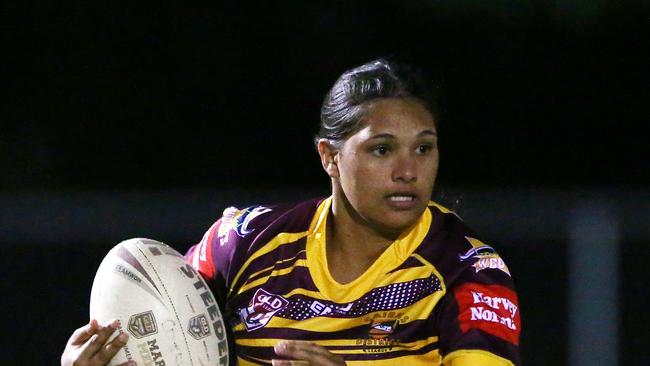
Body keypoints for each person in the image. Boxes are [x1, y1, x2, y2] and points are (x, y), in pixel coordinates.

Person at [62, 59, 521, 366]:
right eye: (382, 149)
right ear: (330, 156)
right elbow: (170, 334)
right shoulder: (243, 243)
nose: (408, 171)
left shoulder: (469, 271)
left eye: (424, 148)